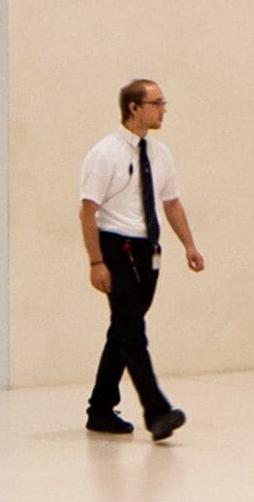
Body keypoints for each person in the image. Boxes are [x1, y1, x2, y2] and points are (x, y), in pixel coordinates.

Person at [79, 77, 204, 438]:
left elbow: (172, 202)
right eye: (157, 103)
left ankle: (100, 408)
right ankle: (157, 410)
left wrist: (189, 246)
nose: (163, 110)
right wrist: (96, 261)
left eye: (164, 103)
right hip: (116, 247)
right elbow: (88, 212)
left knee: (123, 328)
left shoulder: (160, 154)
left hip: (148, 250)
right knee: (133, 331)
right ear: (133, 107)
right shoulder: (105, 153)